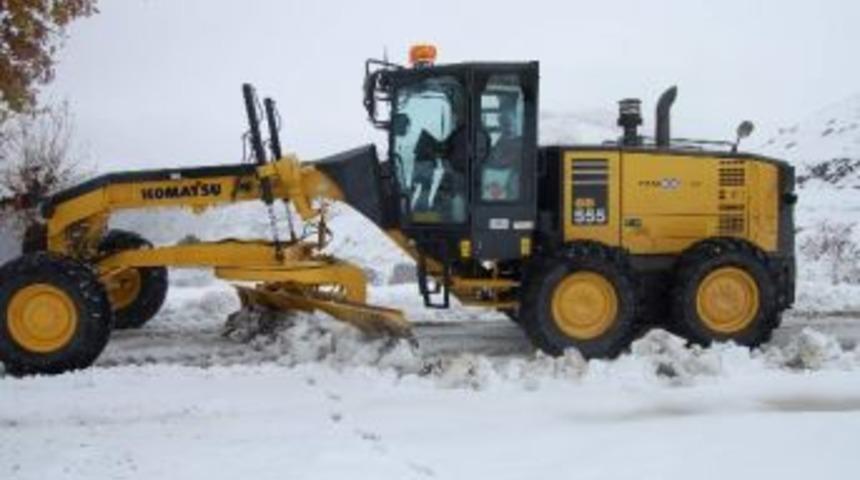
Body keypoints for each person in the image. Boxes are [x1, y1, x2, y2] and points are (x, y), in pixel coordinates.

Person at [482, 106, 522, 200]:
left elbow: (503, 161)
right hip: (507, 178)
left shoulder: (522, 142)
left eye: (510, 123)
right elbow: (494, 161)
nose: (509, 127)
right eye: (505, 124)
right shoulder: (500, 143)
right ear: (500, 126)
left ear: (515, 122)